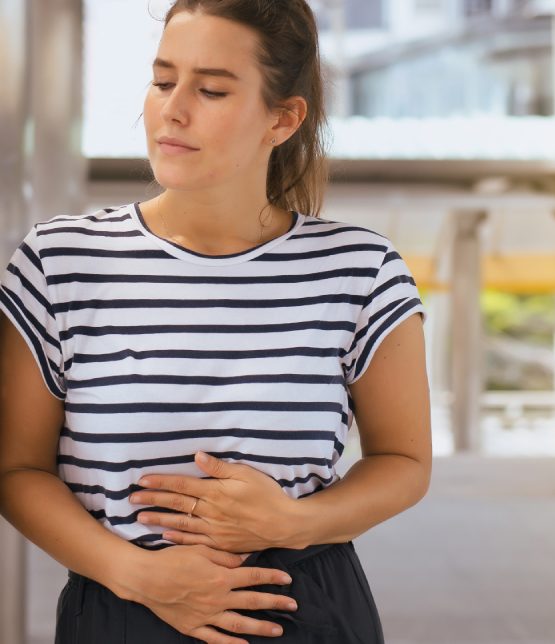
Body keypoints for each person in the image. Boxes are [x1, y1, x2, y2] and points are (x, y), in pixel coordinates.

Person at [0, 1, 431, 643]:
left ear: (282, 119)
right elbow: (16, 470)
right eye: (162, 79)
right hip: (122, 610)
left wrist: (293, 524)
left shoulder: (360, 268)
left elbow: (404, 461)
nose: (173, 109)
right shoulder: (61, 261)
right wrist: (137, 576)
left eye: (211, 89)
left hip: (305, 608)